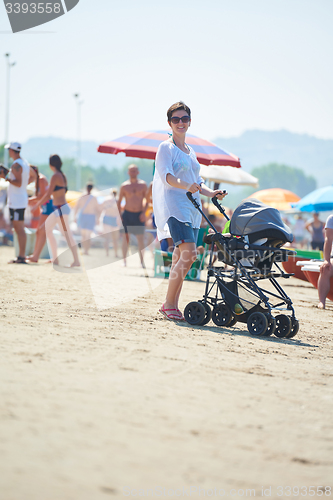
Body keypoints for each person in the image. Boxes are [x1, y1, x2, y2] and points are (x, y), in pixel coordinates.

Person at [152, 101, 227, 321]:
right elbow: (165, 176)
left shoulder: (190, 151)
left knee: (180, 257)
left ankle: (171, 304)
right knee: (189, 255)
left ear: (190, 122)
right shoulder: (166, 147)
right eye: (176, 119)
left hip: (193, 211)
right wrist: (186, 186)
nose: (180, 123)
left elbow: (197, 181)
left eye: (184, 119)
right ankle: (169, 304)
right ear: (169, 123)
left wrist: (212, 194)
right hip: (176, 208)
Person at [31, 154, 80, 267]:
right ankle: (55, 259)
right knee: (46, 229)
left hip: (60, 209)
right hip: (58, 209)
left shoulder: (55, 176)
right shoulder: (62, 175)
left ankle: (76, 260)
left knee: (67, 235)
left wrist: (36, 204)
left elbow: (48, 195)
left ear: (50, 164)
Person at [0, 142, 30, 264]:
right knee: (18, 229)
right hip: (19, 200)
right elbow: (32, 177)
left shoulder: (17, 164)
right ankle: (21, 256)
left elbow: (17, 182)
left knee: (19, 229)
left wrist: (5, 177)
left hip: (17, 201)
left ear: (12, 151)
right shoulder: (24, 163)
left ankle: (22, 256)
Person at [118, 164, 148, 267]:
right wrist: (120, 215)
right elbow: (119, 201)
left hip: (139, 214)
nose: (133, 172)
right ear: (128, 172)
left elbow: (147, 200)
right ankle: (124, 261)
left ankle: (141, 261)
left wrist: (144, 213)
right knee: (126, 238)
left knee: (140, 238)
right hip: (127, 213)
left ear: (138, 172)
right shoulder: (124, 186)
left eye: (135, 170)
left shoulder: (143, 185)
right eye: (131, 171)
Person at [26, 166, 54, 262]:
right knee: (41, 232)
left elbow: (43, 196)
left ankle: (37, 256)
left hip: (49, 206)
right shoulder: (38, 180)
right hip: (46, 207)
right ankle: (36, 255)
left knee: (44, 232)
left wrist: (32, 201)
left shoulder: (41, 179)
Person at [74, 183, 99, 255]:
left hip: (84, 217)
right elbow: (97, 209)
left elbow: (76, 207)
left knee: (84, 235)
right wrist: (97, 219)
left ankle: (85, 250)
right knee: (87, 235)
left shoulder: (82, 197)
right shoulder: (94, 198)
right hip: (90, 217)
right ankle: (86, 250)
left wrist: (75, 217)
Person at [317, 214, 333, 309]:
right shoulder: (332, 218)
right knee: (326, 269)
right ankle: (321, 302)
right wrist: (326, 260)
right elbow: (328, 239)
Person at [99, 188, 121, 257]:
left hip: (107, 218)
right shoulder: (117, 201)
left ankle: (107, 253)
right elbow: (119, 212)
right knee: (115, 239)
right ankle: (115, 253)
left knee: (107, 238)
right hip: (113, 219)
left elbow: (101, 209)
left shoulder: (106, 200)